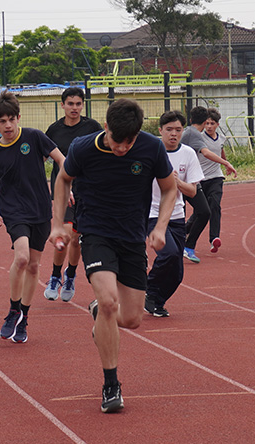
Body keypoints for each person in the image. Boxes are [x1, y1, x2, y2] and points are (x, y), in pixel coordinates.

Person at [49, 98, 176, 413]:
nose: (122, 148)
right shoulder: (83, 148)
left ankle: (99, 312)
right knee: (109, 302)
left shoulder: (151, 148)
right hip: (95, 233)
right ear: (106, 127)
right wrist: (58, 224)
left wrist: (160, 228)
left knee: (131, 319)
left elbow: (170, 188)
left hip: (132, 238)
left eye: (128, 142)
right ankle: (111, 385)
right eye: (117, 141)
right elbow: (63, 179)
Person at [0, 91, 65, 344]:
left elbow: (63, 162)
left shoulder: (34, 137)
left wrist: (70, 189)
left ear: (18, 118)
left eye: (11, 119)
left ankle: (24, 318)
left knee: (33, 266)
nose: (7, 125)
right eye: (1, 121)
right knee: (21, 257)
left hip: (40, 209)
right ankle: (13, 310)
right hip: (13, 210)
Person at [43, 87, 102, 302]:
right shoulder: (54, 130)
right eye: (70, 104)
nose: (74, 108)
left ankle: (70, 275)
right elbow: (42, 159)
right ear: (63, 105)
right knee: (65, 236)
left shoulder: (92, 128)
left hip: (86, 190)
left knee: (77, 240)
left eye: (78, 104)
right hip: (62, 190)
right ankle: (55, 275)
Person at [145, 111, 204, 318]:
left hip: (177, 216)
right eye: (169, 130)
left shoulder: (188, 154)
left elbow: (193, 191)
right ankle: (148, 287)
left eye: (178, 130)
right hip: (152, 214)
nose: (173, 134)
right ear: (160, 131)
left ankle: (156, 301)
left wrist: (175, 181)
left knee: (177, 273)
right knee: (168, 254)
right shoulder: (150, 150)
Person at [180, 106, 236, 263]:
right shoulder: (193, 134)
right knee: (180, 213)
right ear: (205, 122)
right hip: (181, 181)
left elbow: (217, 151)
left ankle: (189, 246)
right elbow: (206, 153)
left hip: (194, 179)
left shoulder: (193, 133)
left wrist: (223, 163)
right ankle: (177, 245)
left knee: (205, 210)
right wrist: (227, 163)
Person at [191, 107, 228, 254]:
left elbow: (221, 150)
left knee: (215, 205)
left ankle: (214, 238)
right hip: (200, 179)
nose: (209, 126)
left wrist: (226, 164)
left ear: (217, 125)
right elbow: (204, 153)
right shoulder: (199, 138)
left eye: (212, 123)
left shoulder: (222, 137)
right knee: (200, 212)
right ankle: (186, 230)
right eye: (207, 123)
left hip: (216, 177)